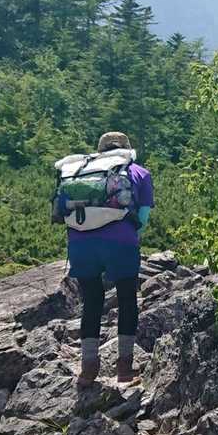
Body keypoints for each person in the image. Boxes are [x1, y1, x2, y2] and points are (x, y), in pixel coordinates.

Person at [58, 131, 154, 386]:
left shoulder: (79, 172)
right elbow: (143, 218)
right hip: (120, 243)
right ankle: (124, 368)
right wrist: (128, 236)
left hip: (81, 245)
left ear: (99, 150)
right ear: (127, 149)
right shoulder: (138, 172)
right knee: (127, 299)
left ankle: (88, 369)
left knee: (91, 300)